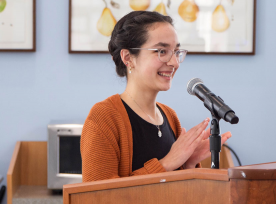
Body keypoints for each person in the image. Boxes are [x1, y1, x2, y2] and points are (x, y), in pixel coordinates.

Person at [80, 11, 232, 182]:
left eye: (176, 52)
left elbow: (174, 192)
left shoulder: (170, 116)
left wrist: (187, 163)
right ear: (128, 58)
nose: (174, 63)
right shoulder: (104, 118)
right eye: (161, 51)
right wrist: (167, 163)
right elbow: (96, 196)